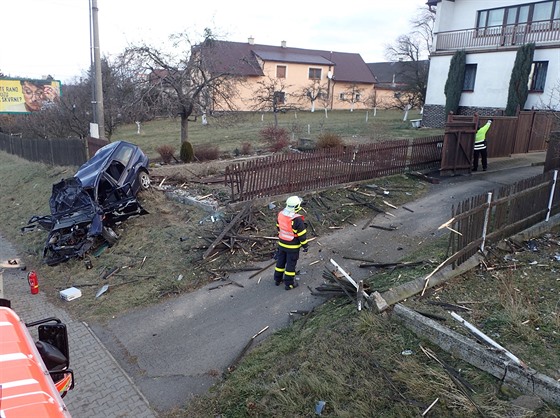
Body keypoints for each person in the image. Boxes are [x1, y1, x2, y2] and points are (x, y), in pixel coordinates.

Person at [273, 196, 309, 290]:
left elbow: (278, 227)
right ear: (297, 206)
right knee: (290, 265)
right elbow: (302, 235)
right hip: (292, 247)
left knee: (280, 262)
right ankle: (289, 284)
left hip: (282, 244)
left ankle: (277, 279)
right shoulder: (297, 220)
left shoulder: (281, 215)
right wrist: (305, 246)